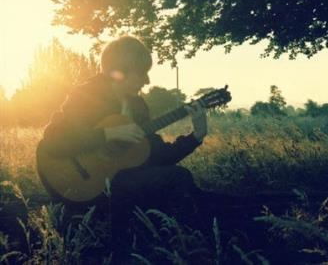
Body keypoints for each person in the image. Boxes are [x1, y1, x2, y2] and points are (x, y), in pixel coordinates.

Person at [36, 36, 208, 257]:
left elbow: (154, 154)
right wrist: (108, 134)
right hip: (78, 184)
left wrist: (196, 136)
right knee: (178, 179)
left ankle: (178, 240)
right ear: (120, 71)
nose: (146, 80)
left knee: (176, 176)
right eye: (142, 72)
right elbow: (54, 141)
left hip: (117, 180)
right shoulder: (85, 96)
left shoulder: (137, 106)